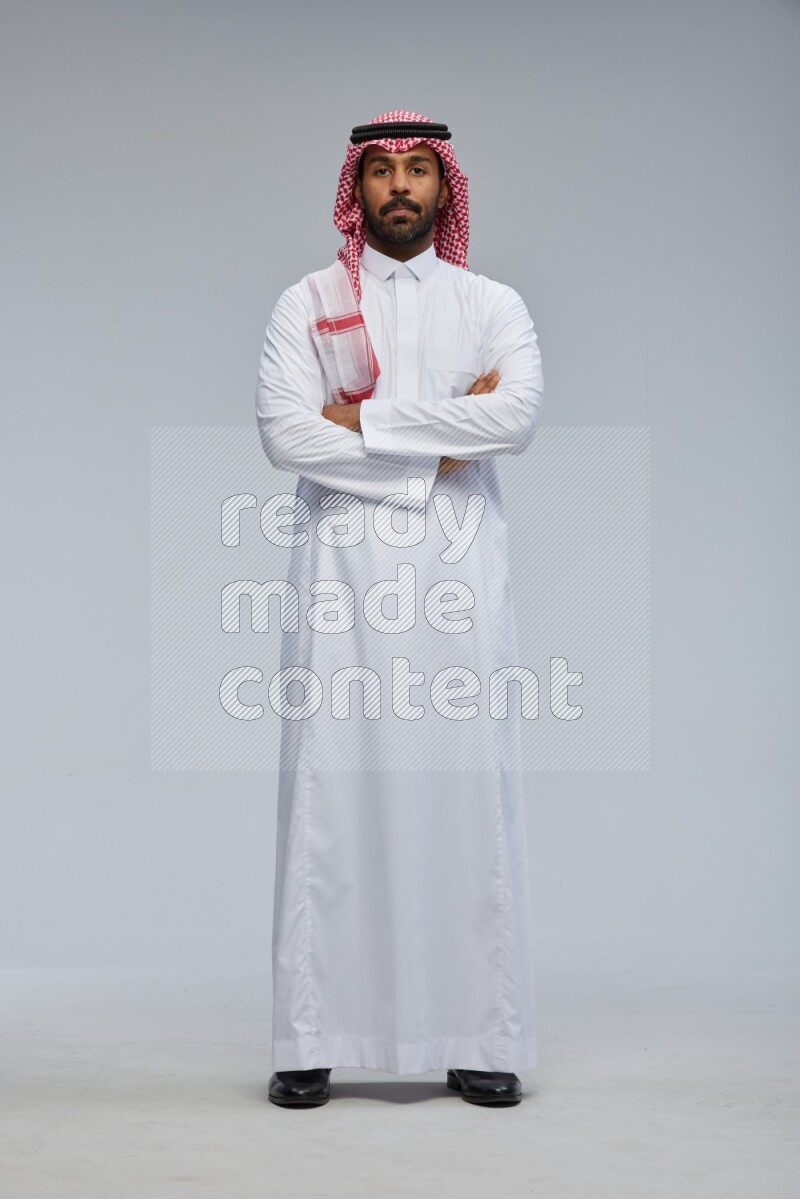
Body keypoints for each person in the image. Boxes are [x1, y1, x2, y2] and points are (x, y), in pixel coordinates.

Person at [254, 110, 544, 1108]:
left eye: (418, 169)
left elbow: (514, 415)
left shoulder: (491, 302)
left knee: (464, 785)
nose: (400, 188)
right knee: (331, 790)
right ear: (357, 189)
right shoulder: (307, 302)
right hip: (340, 574)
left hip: (459, 580)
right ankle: (309, 1034)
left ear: (445, 187)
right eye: (380, 172)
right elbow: (286, 437)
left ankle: (478, 1033)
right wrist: (435, 450)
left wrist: (366, 421)